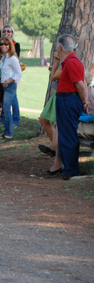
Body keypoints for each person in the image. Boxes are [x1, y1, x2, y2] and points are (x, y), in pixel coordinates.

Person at [54, 34, 88, 180]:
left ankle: (71, 171)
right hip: (64, 99)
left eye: (57, 45)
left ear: (60, 47)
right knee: (64, 134)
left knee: (68, 135)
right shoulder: (67, 62)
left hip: (68, 100)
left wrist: (85, 103)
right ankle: (67, 168)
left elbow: (81, 85)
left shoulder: (72, 62)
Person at [0, 37, 22, 140]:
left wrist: (9, 81)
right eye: (1, 44)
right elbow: (5, 71)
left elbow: (19, 73)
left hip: (10, 86)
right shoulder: (3, 57)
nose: (3, 46)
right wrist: (1, 78)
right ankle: (7, 131)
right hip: (4, 84)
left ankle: (9, 133)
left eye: (6, 45)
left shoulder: (12, 58)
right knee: (6, 107)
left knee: (6, 108)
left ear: (10, 46)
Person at [2, 25, 21, 127]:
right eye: (4, 31)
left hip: (12, 76)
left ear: (12, 33)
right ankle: (5, 119)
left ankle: (15, 120)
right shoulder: (1, 45)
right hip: (3, 76)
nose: (6, 33)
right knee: (8, 98)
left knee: (13, 98)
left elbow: (15, 59)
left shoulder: (15, 45)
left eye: (9, 31)